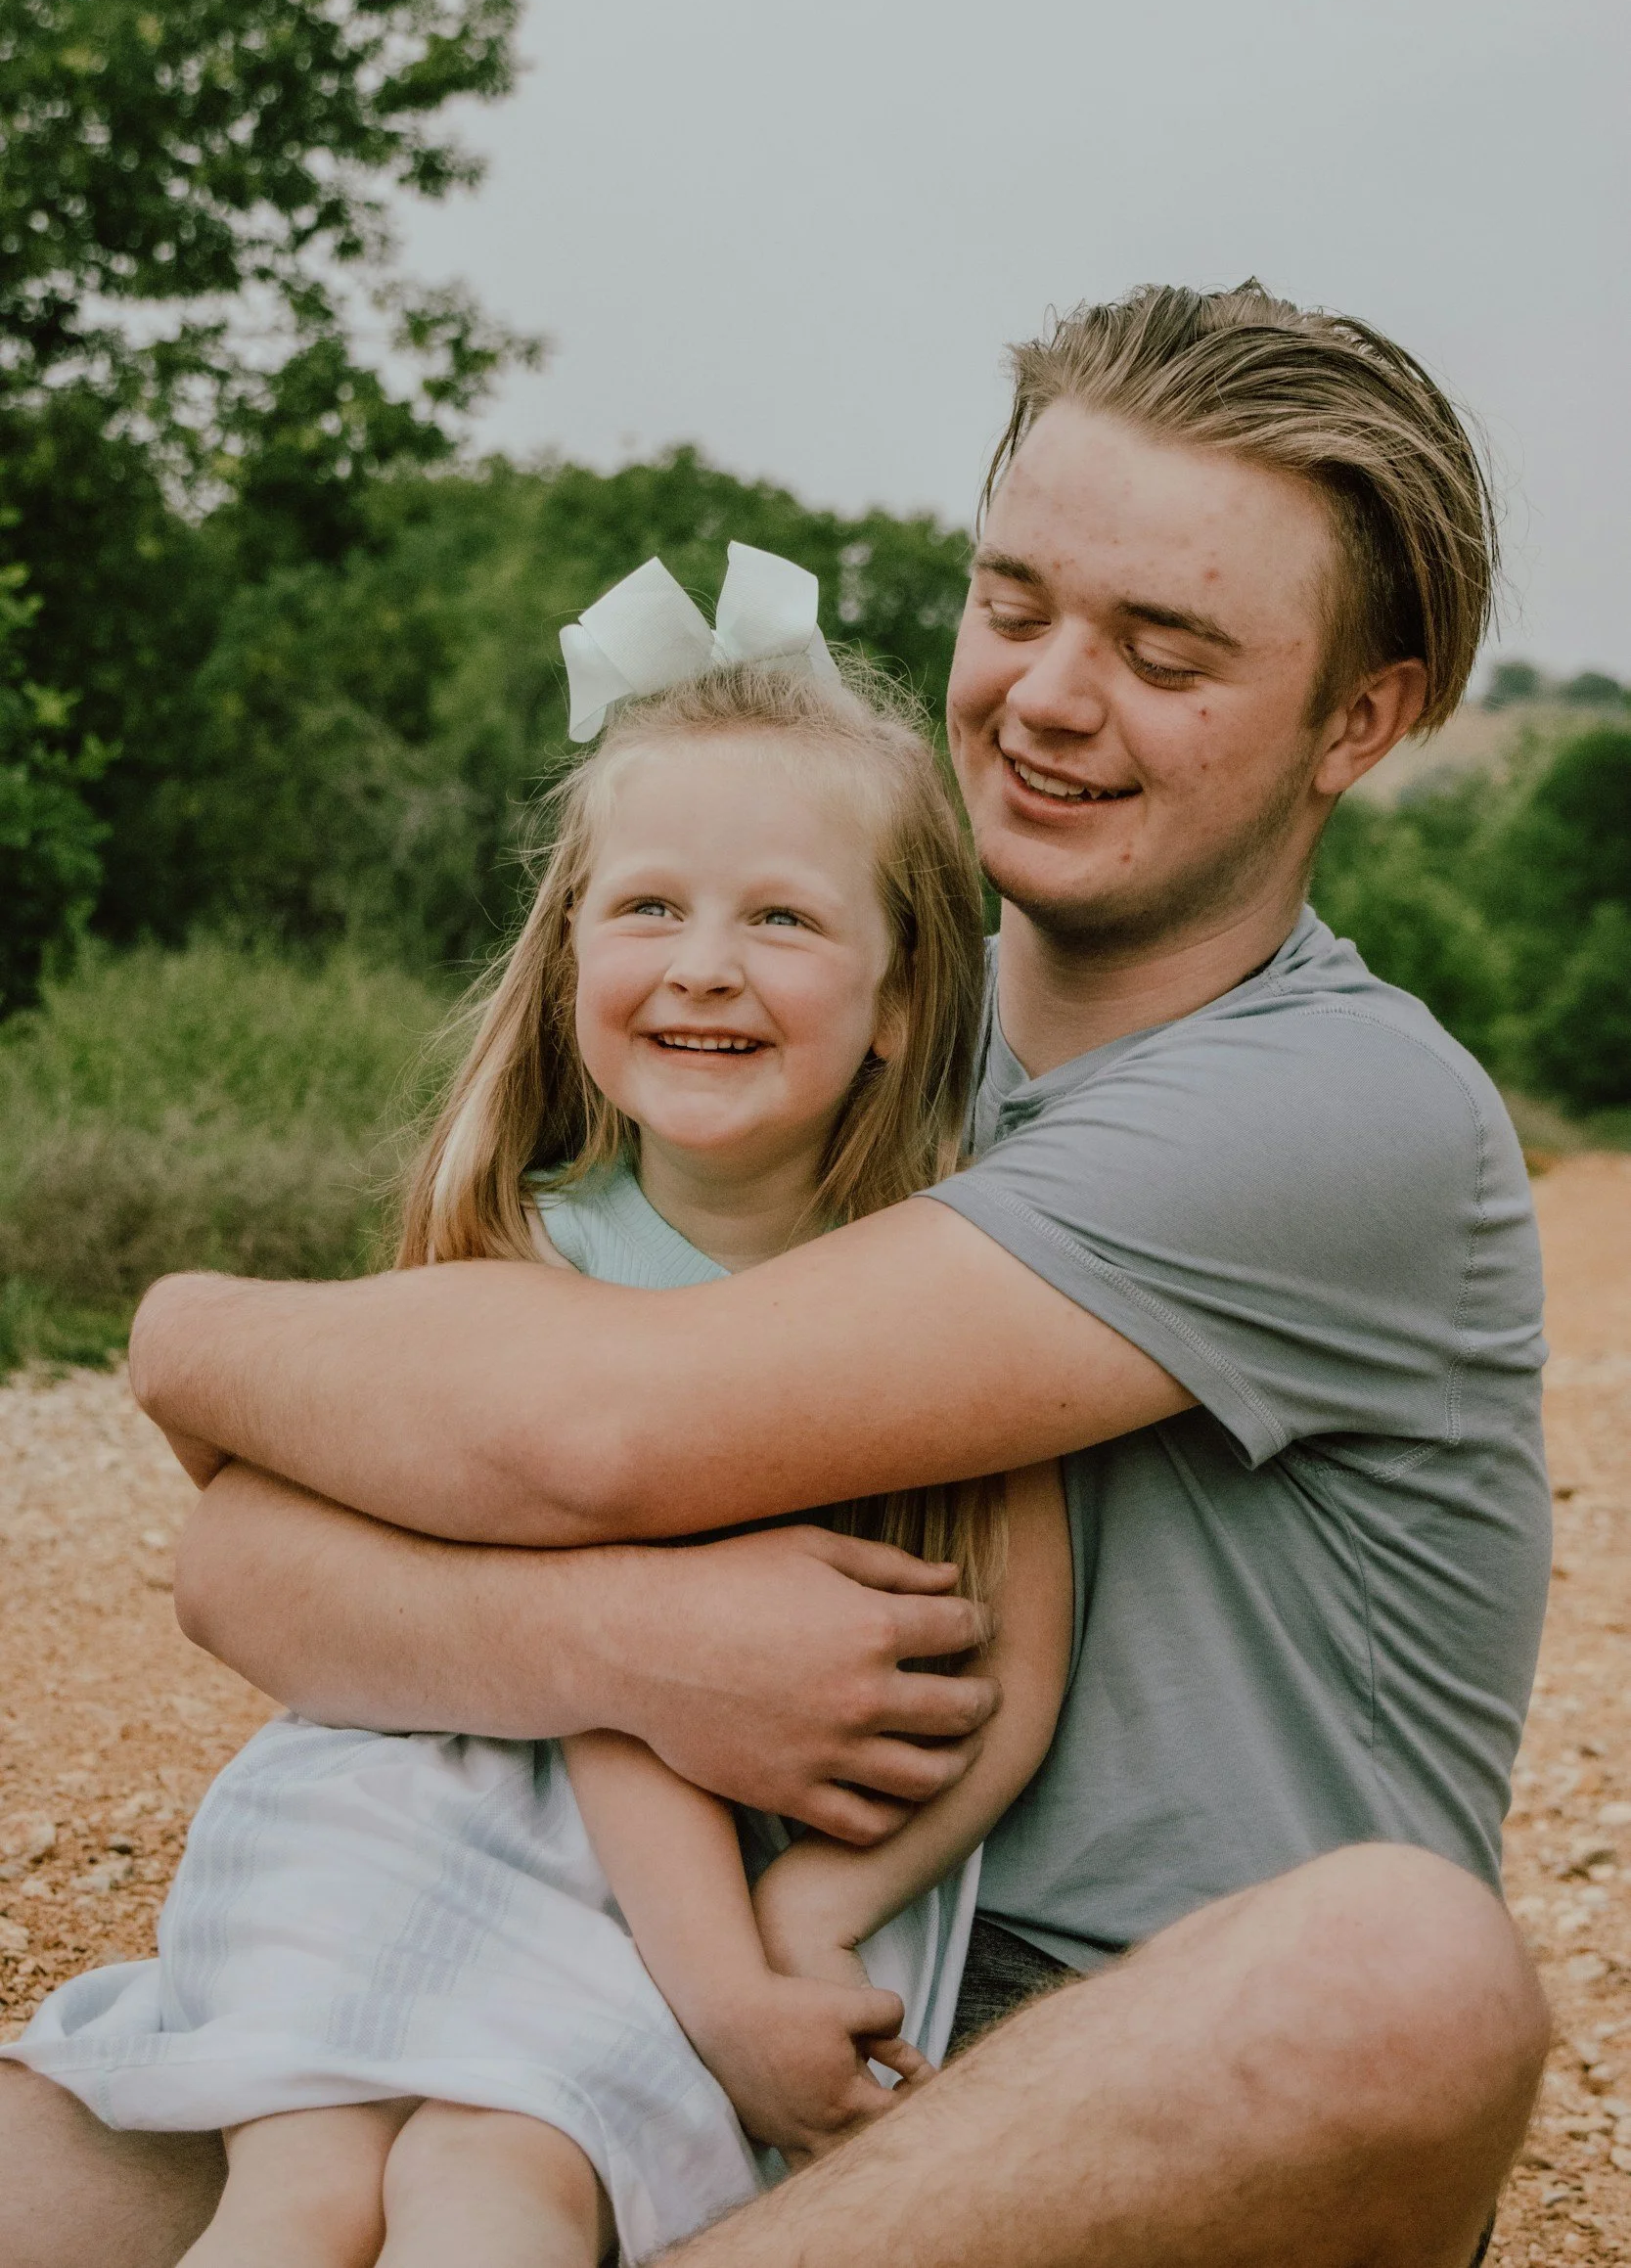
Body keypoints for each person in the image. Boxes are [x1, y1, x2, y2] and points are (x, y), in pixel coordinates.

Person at [0, 283, 1552, 2268]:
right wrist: (627, 1654)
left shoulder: (1335, 1109)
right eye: (1011, 605)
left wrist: (189, 1332)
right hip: (641, 2011)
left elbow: (580, 1431)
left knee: (1400, 1973)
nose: (1050, 695)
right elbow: (241, 1576)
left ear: (1364, 716)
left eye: (1161, 651)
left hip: (1079, 2109)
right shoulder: (822, 1033)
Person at [7, 574, 1073, 2267]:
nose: (702, 968)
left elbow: (1015, 1662)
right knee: (310, 2186)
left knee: (492, 2190)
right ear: (570, 948)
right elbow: (609, 1694)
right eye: (645, 907)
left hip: (677, 1906)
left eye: (783, 920)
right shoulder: (521, 1275)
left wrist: (825, 1904)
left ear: (898, 991)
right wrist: (730, 1986)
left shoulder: (925, 1306)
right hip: (414, 1813)